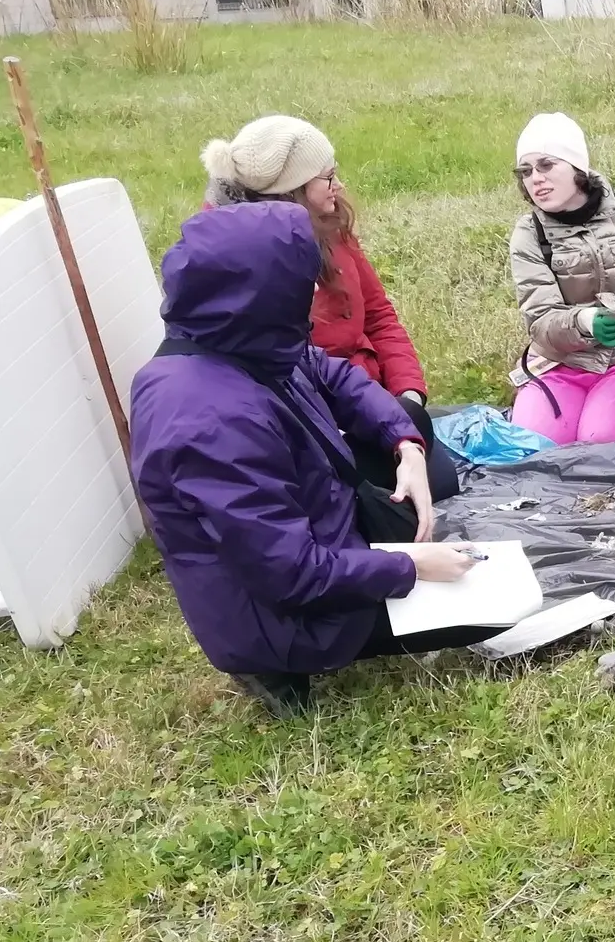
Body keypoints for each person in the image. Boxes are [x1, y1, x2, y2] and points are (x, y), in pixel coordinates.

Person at [130, 202, 488, 718]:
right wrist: (408, 565)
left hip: (320, 534)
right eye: (305, 283)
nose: (314, 296)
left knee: (432, 468)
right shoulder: (204, 419)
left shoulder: (241, 337)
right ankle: (272, 666)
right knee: (485, 609)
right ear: (268, 291)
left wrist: (404, 443)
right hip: (286, 616)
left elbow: (334, 375)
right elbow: (292, 574)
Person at [200, 115, 458, 501]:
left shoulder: (330, 225)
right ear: (292, 192)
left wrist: (408, 394)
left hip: (364, 398)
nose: (340, 186)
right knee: (402, 500)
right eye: (328, 177)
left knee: (438, 475)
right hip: (308, 424)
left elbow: (380, 315)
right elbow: (270, 376)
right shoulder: (241, 262)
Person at [508, 112, 615, 445]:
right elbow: (539, 320)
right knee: (532, 445)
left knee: (600, 440)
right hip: (559, 364)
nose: (535, 179)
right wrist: (585, 321)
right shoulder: (529, 233)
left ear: (578, 167)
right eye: (526, 171)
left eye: (547, 165)